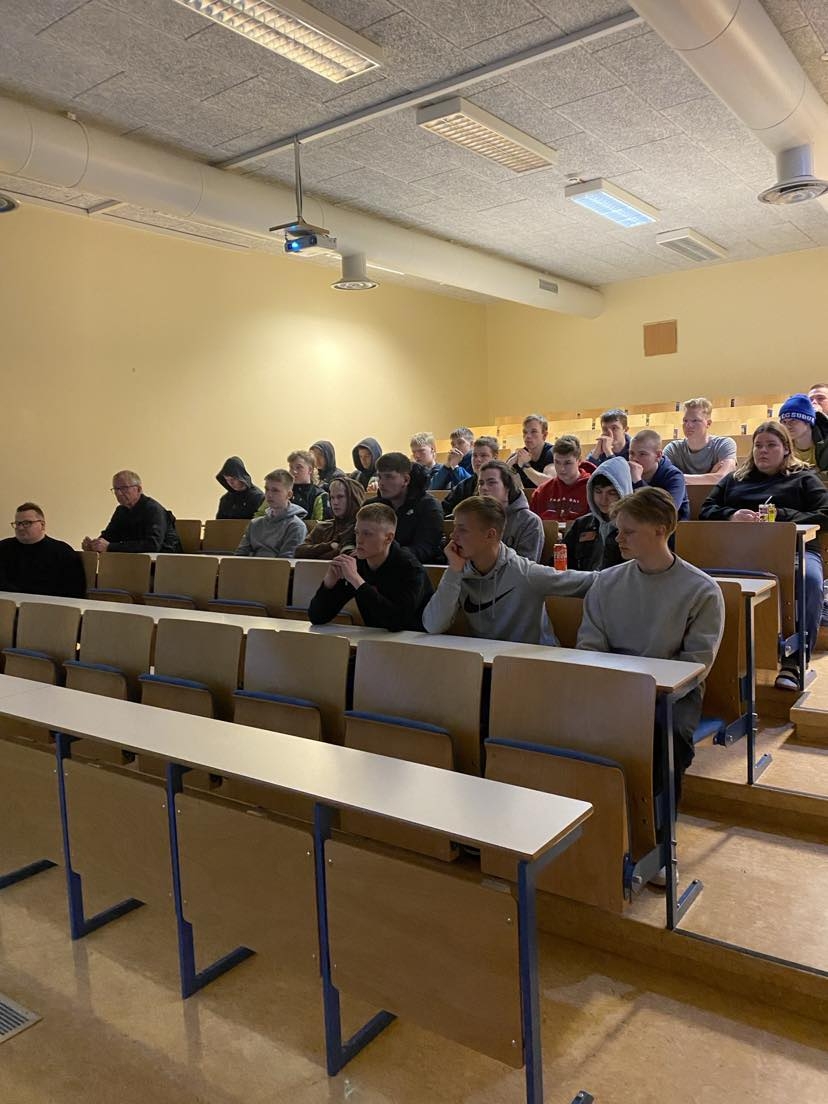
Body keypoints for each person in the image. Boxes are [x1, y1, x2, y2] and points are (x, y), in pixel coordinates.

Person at [577, 487, 725, 819]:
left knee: (667, 733)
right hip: (614, 683)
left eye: (628, 532)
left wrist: (646, 693)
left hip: (673, 693)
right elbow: (589, 645)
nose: (618, 538)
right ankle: (596, 818)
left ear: (660, 530)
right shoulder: (606, 582)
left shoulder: (701, 589)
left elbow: (696, 663)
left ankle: (657, 826)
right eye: (618, 530)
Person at [699, 420, 828, 689]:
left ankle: (795, 661)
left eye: (771, 445)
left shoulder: (804, 478)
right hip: (741, 553)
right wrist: (732, 515)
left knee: (810, 580)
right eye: (758, 445)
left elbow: (825, 515)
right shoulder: (735, 479)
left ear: (786, 449)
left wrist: (783, 516)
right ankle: (714, 657)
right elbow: (706, 509)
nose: (763, 451)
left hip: (795, 550)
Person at [422, 496, 595, 644]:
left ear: (490, 535)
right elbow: (433, 625)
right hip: (487, 661)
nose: (453, 536)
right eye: (454, 527)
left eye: (462, 529)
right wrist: (453, 570)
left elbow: (591, 581)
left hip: (533, 662)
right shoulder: (458, 572)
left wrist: (615, 575)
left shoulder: (525, 574)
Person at [308, 502, 432, 631]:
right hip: (372, 638)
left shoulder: (411, 569)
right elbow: (317, 617)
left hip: (414, 638)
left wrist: (357, 581)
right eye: (357, 532)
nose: (359, 540)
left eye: (367, 534)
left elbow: (397, 622)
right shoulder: (357, 564)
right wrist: (328, 584)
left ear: (388, 538)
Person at [82, 470, 181, 554]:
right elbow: (109, 536)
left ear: (138, 489)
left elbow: (152, 545)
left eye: (124, 488)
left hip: (165, 562)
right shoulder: (121, 511)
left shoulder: (153, 509)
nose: (119, 493)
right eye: (116, 489)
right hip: (135, 560)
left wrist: (110, 547)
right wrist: (94, 545)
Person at [0, 502, 86, 598]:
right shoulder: (3, 548)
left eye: (27, 523)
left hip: (49, 604)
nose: (20, 528)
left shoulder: (63, 552)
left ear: (42, 525)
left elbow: (75, 591)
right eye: (17, 523)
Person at [564, 457, 632, 571]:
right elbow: (560, 562)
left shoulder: (633, 529)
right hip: (582, 581)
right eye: (598, 491)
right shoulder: (582, 524)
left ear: (623, 492)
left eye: (611, 493)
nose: (603, 499)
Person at [375, 452, 445, 563]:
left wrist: (386, 556)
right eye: (379, 477)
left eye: (388, 477)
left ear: (406, 480)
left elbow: (426, 548)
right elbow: (356, 538)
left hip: (416, 567)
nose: (381, 483)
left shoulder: (428, 506)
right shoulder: (373, 506)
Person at [478, 460, 544, 561]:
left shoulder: (529, 521)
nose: (484, 488)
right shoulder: (474, 519)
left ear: (507, 487)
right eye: (481, 483)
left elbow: (525, 566)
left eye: (491, 483)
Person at [662, 398, 737, 485]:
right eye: (685, 420)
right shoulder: (672, 448)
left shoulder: (724, 444)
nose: (688, 425)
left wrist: (676, 477)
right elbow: (661, 477)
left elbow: (723, 478)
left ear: (708, 423)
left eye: (695, 420)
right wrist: (711, 475)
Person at [235, 469, 307, 558]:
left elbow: (287, 561)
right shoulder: (254, 524)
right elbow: (240, 555)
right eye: (267, 489)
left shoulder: (296, 526)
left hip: (277, 566)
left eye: (275, 490)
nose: (269, 495)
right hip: (251, 565)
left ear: (289, 495)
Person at [294, 476, 365, 559]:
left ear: (353, 499)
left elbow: (344, 556)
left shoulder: (363, 530)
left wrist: (317, 554)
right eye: (332, 497)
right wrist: (329, 546)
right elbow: (299, 552)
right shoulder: (323, 527)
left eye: (340, 497)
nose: (335, 502)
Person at [530, 435, 595, 521]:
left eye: (567, 463)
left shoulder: (593, 489)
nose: (562, 469)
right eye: (557, 462)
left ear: (579, 461)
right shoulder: (541, 492)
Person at [628, 429, 690, 520]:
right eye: (631, 453)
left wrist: (638, 482)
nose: (634, 459)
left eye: (642, 454)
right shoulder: (627, 472)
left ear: (658, 456)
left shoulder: (674, 476)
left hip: (672, 527)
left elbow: (668, 512)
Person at [441, 436, 500, 516]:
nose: (478, 459)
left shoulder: (502, 483)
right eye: (474, 455)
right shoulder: (463, 486)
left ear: (495, 457)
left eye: (483, 455)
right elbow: (444, 510)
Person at [778, 393, 828, 471]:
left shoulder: (826, 443)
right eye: (784, 422)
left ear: (807, 422)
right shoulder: (781, 446)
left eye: (793, 420)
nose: (788, 426)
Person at [505, 413, 555, 490]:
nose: (527, 436)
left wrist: (525, 466)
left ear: (544, 435)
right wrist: (509, 463)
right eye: (525, 432)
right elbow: (499, 482)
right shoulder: (517, 456)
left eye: (533, 431)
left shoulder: (552, 453)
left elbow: (550, 483)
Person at [288, 450, 329, 520]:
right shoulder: (283, 492)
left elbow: (321, 524)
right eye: (291, 467)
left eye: (299, 467)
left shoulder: (319, 495)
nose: (294, 471)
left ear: (310, 470)